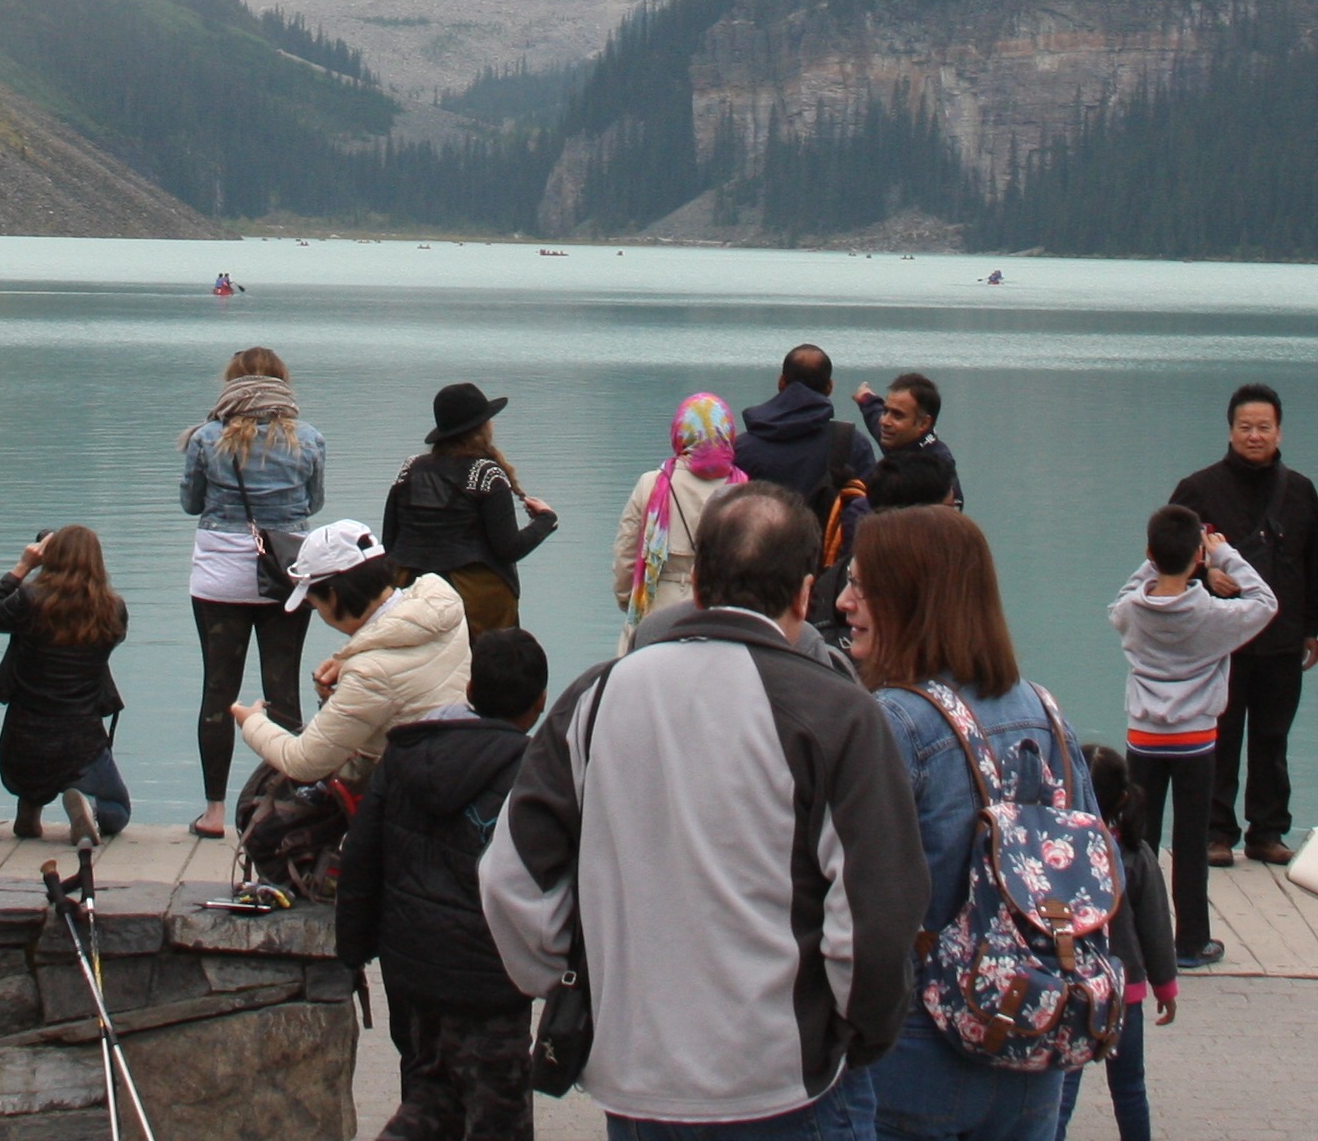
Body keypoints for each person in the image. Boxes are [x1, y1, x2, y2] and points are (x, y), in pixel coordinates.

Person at [483, 483, 926, 1141]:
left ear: (697, 586)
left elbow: (510, 876)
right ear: (806, 594)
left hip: (635, 1079)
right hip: (782, 1080)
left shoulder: (595, 700)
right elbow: (875, 910)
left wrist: (574, 979)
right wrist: (855, 1032)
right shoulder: (838, 714)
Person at [845, 504, 1101, 1141]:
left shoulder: (894, 721)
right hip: (1031, 1036)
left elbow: (848, 895)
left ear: (909, 601)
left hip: (914, 1043)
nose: (846, 603)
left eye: (861, 587)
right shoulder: (1047, 712)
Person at [337, 626, 551, 1141]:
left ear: (470, 691)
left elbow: (362, 857)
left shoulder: (406, 754)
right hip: (489, 979)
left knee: (430, 1097)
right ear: (540, 703)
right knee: (497, 1118)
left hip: (411, 969)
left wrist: (354, 950)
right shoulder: (534, 774)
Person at [1167, 382, 1318, 867]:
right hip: (1221, 641)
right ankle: (1216, 833)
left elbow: (1313, 566)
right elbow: (1166, 553)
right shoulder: (1199, 489)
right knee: (1221, 736)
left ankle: (1267, 831)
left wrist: (1313, 629)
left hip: (1281, 638)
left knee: (1273, 740)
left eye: (1264, 427)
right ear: (1231, 430)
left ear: (1279, 431)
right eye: (1245, 427)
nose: (1254, 436)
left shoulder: (1299, 491)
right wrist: (1205, 572)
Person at [1107, 505, 1273, 967]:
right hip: (1196, 741)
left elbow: (1121, 596)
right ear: (1198, 556)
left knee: (1136, 839)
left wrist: (1152, 564)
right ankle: (1192, 941)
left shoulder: (1132, 611)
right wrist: (1226, 556)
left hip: (1143, 738)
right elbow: (1265, 603)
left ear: (1148, 553)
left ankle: (1133, 936)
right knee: (1191, 843)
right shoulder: (1214, 616)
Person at [179, 348, 326, 839]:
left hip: (219, 575)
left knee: (217, 689)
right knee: (282, 688)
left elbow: (190, 503)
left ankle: (215, 813)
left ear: (231, 386)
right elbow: (314, 503)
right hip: (287, 574)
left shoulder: (206, 438)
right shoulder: (308, 440)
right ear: (283, 384)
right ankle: (280, 805)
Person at [234, 522, 473, 791]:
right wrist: (350, 660)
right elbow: (409, 678)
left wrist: (251, 722)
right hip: (460, 769)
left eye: (314, 604)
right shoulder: (441, 602)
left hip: (410, 798)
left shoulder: (369, 673)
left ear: (334, 597)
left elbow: (302, 763)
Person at [0, 523, 130, 841]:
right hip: (81, 742)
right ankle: (87, 806)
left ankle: (30, 808)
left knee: (36, 773)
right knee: (118, 810)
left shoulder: (29, 601)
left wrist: (23, 567)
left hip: (23, 744)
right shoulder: (112, 609)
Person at [381, 384, 557, 633]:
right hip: (475, 604)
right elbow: (508, 549)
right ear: (482, 427)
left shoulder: (410, 469)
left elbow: (390, 542)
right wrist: (546, 520)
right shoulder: (488, 475)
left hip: (409, 598)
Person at [1073, 748, 1183, 1141]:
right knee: (1130, 1087)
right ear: (1122, 798)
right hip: (1125, 992)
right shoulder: (1134, 854)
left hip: (1071, 990)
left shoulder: (1054, 853)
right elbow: (1155, 927)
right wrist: (1165, 986)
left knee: (1062, 1089)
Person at [730, 347, 872, 625]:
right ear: (829, 387)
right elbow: (871, 519)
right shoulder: (851, 444)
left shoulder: (743, 449)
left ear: (781, 382)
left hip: (754, 589)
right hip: (829, 596)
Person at [613, 393, 743, 637]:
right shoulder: (744, 490)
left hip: (657, 604)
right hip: (723, 611)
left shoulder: (652, 483)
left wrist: (627, 600)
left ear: (680, 433)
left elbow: (626, 552)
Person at [856, 374, 961, 510]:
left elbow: (952, 512)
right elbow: (874, 414)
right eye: (885, 411)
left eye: (897, 415)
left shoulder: (938, 467)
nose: (884, 421)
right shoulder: (897, 438)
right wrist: (866, 398)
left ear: (923, 423)